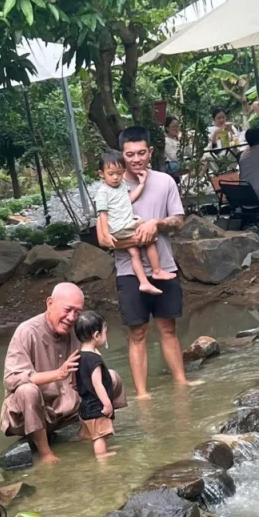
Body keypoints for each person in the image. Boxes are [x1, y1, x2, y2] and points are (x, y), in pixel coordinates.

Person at [112, 125, 198, 400]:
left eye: (141, 153)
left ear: (150, 152)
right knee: (137, 332)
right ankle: (142, 394)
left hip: (165, 266)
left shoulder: (164, 182)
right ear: (122, 155)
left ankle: (181, 382)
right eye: (129, 154)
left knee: (168, 328)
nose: (136, 159)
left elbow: (178, 221)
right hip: (129, 271)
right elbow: (104, 236)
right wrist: (136, 238)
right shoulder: (112, 187)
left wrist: (156, 224)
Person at [0, 283, 126, 464]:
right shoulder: (26, 331)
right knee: (27, 390)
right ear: (50, 303)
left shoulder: (78, 331)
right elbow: (13, 379)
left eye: (77, 312)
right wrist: (58, 374)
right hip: (36, 409)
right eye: (67, 310)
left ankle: (92, 431)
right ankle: (45, 452)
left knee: (110, 377)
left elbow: (94, 367)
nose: (71, 317)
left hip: (71, 407)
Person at [95, 149, 171, 296]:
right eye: (111, 174)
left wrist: (141, 185)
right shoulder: (103, 192)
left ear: (123, 171)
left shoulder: (121, 186)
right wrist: (106, 233)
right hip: (120, 227)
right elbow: (102, 214)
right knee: (149, 234)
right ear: (101, 174)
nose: (115, 177)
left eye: (119, 173)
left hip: (122, 226)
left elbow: (128, 200)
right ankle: (157, 270)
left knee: (134, 253)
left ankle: (144, 282)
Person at [74, 310, 119, 459]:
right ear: (96, 335)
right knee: (99, 435)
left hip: (85, 405)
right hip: (96, 405)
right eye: (105, 333)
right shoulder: (94, 360)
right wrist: (107, 404)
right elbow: (97, 383)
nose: (106, 337)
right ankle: (102, 456)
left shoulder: (79, 357)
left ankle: (100, 448)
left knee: (95, 432)